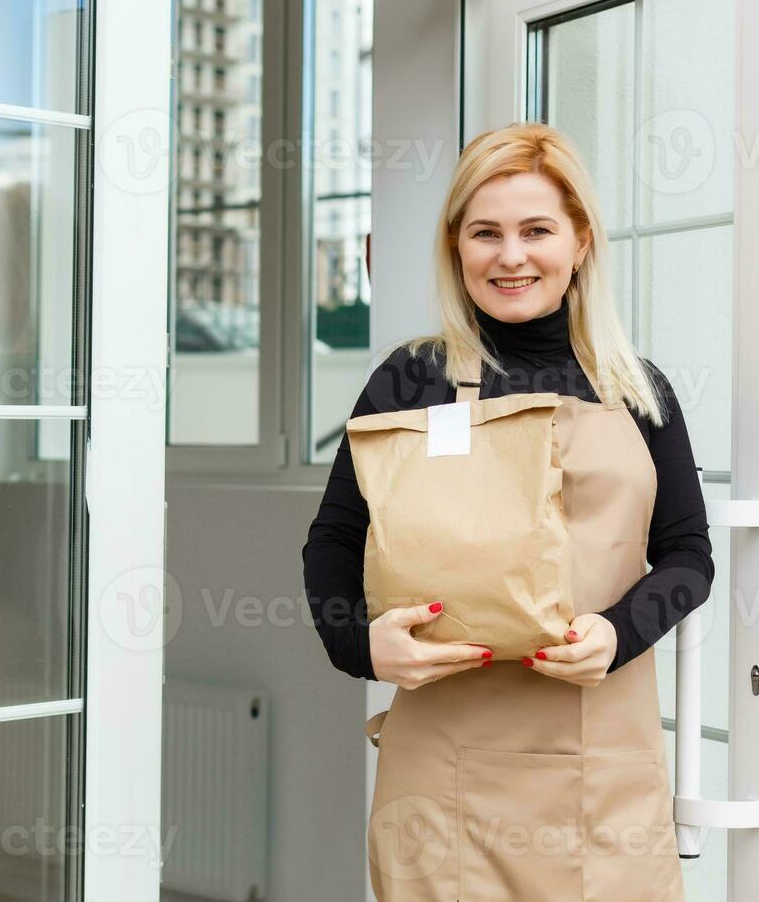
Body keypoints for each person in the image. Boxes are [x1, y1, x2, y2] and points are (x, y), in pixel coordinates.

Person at [302, 121, 714, 900]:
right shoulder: (411, 381)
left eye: (536, 230)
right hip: (443, 781)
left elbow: (690, 553)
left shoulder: (639, 389)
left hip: (603, 774)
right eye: (485, 232)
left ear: (581, 239)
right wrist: (358, 644)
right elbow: (334, 537)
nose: (511, 255)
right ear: (457, 245)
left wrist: (618, 632)